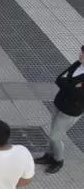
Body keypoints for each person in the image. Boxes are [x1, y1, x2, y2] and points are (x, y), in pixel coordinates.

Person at [34, 45, 84, 175]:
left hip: (71, 111)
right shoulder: (77, 64)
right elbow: (59, 79)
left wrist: (68, 85)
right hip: (59, 103)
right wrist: (71, 86)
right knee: (53, 132)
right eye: (81, 52)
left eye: (83, 54)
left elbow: (76, 95)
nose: (80, 55)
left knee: (55, 137)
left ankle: (58, 160)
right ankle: (49, 155)